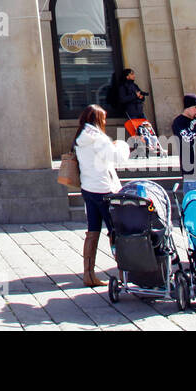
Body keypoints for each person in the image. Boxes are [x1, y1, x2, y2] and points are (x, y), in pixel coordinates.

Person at [74, 104, 126, 287]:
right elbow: (117, 157)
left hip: (88, 188)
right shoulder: (99, 139)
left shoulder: (80, 137)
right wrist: (121, 144)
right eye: (103, 119)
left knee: (93, 230)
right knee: (116, 231)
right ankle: (124, 272)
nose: (105, 122)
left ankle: (88, 274)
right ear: (97, 119)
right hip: (105, 189)